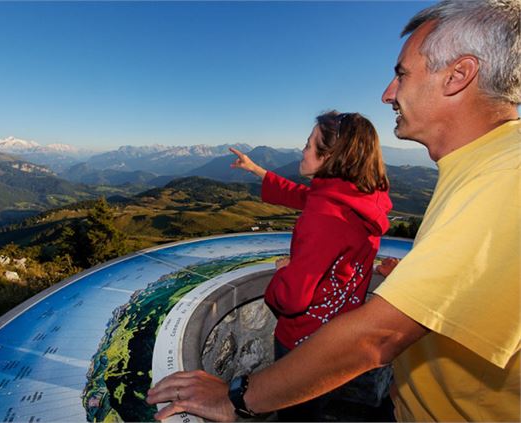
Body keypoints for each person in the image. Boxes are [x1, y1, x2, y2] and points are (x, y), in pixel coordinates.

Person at [146, 0, 520, 421]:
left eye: (402, 74)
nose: (387, 93)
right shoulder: (467, 171)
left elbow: (377, 337)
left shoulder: (506, 177)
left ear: (458, 76)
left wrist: (235, 397)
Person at [227, 111, 391, 420]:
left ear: (329, 156)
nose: (301, 150)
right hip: (338, 332)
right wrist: (258, 171)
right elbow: (309, 196)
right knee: (316, 402)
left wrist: (284, 272)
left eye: (308, 144)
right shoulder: (362, 199)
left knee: (295, 412)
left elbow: (292, 298)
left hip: (301, 340)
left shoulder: (324, 217)